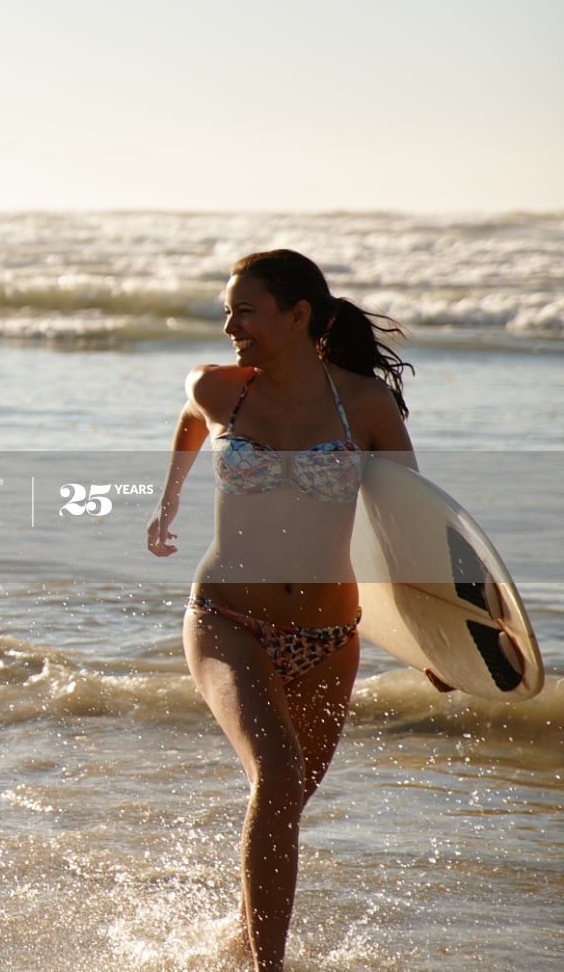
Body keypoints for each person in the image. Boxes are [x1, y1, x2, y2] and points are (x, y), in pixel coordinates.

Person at [146, 249, 415, 971]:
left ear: (298, 316)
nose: (231, 324)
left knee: (284, 801)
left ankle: (242, 942)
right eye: (228, 310)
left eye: (245, 309)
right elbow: (190, 418)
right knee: (280, 774)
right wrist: (170, 494)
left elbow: (408, 529)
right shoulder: (220, 388)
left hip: (330, 635)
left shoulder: (364, 406)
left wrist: (439, 643)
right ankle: (271, 966)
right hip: (228, 619)